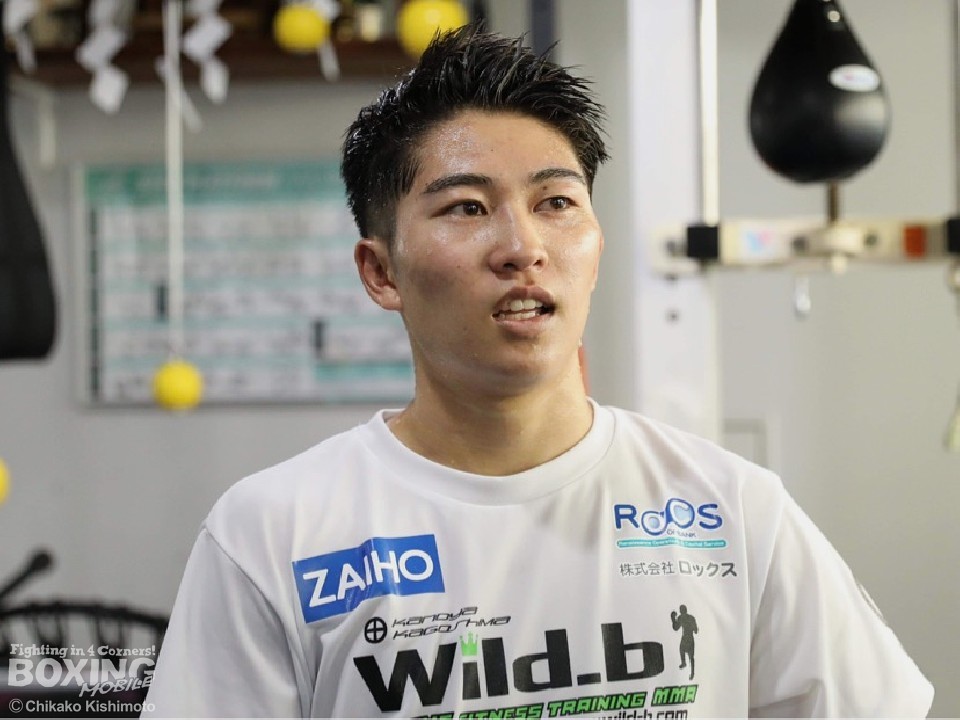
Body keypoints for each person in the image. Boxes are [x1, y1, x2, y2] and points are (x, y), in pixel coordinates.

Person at [144, 24, 934, 718]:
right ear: (381, 273)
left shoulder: (732, 510)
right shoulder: (272, 533)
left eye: (556, 202)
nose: (523, 247)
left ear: (595, 241)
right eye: (466, 207)